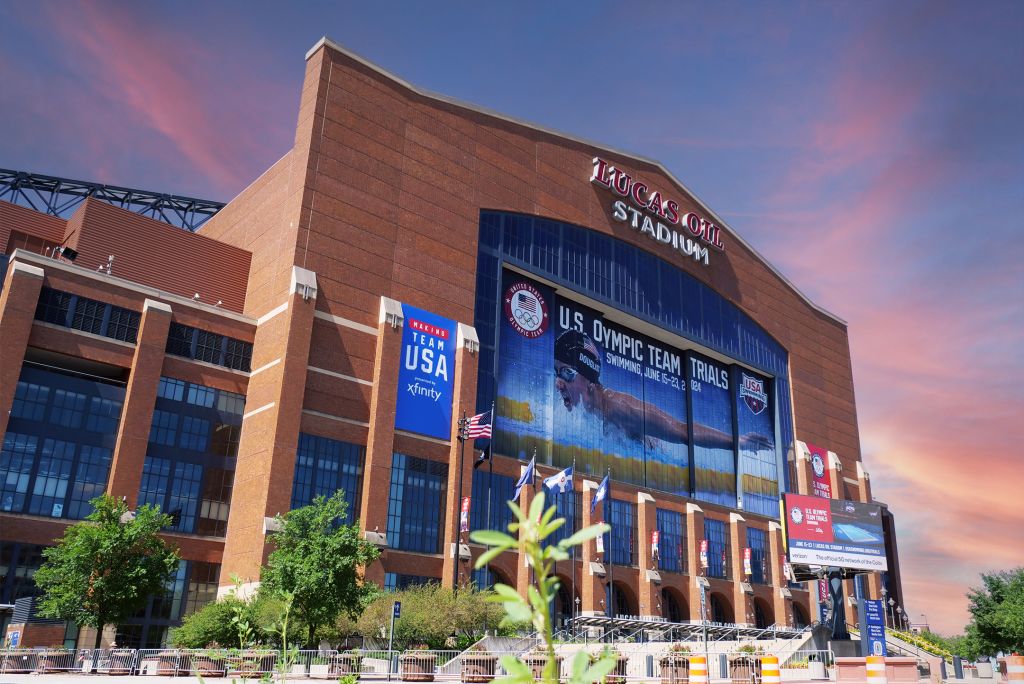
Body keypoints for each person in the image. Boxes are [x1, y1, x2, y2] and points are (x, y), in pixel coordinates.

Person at [553, 329, 770, 450]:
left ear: (590, 380)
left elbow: (683, 432)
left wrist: (738, 443)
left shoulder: (620, 408)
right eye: (556, 373)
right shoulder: (586, 413)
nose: (558, 383)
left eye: (566, 374)